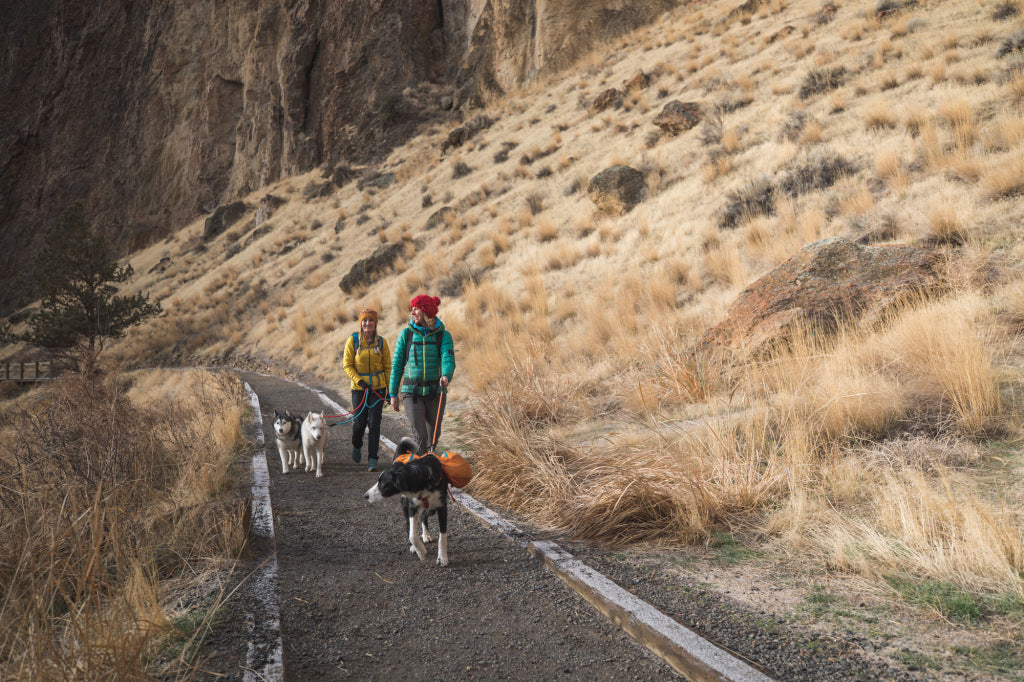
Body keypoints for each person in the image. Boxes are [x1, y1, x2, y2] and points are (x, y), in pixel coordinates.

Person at [389, 295, 455, 456]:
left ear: (426, 311)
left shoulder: (443, 336)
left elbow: (448, 358)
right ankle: (421, 473)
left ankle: (429, 462)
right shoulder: (406, 335)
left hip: (435, 391)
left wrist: (446, 375)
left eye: (416, 308)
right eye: (412, 309)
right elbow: (397, 365)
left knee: (433, 437)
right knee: (420, 437)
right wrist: (393, 394)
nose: (412, 312)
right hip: (411, 391)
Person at [343, 308, 391, 471]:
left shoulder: (382, 342)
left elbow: (388, 367)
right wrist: (360, 381)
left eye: (371, 320)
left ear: (375, 323)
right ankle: (357, 445)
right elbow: (347, 365)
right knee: (359, 424)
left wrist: (389, 391)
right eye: (365, 320)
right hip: (359, 389)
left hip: (378, 390)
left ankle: (373, 459)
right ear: (360, 323)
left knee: (374, 423)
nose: (367, 323)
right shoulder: (353, 340)